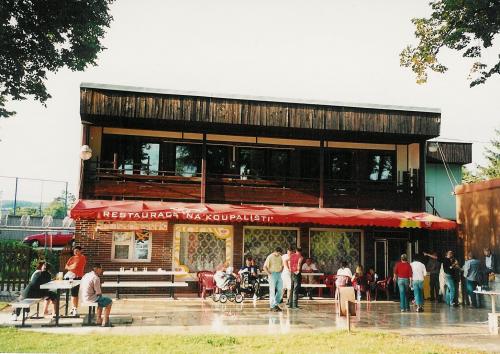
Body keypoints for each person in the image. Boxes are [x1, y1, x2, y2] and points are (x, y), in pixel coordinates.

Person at [64, 246, 87, 316]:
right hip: (71, 277)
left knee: (75, 294)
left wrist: (70, 267)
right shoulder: (72, 258)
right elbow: (66, 266)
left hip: (77, 277)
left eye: (77, 250)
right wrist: (71, 267)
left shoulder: (82, 257)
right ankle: (73, 308)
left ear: (81, 251)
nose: (75, 252)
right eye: (74, 251)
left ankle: (74, 309)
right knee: (73, 294)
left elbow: (75, 266)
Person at [263, 247, 284, 312]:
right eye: (279, 253)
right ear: (276, 251)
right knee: (272, 290)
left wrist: (281, 270)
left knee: (280, 289)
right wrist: (269, 274)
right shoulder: (270, 257)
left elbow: (282, 265)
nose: (279, 254)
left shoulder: (280, 257)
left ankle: (276, 304)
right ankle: (272, 306)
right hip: (272, 274)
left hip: (279, 274)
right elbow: (264, 267)